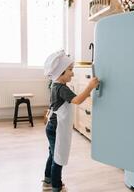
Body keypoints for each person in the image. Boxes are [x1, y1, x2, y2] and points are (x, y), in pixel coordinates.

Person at [42, 50, 99, 192]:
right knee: (58, 157)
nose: (72, 73)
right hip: (56, 127)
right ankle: (57, 186)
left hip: (51, 126)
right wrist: (90, 86)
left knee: (52, 153)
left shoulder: (55, 84)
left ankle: (48, 180)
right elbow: (78, 100)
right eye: (70, 70)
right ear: (61, 72)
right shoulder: (62, 88)